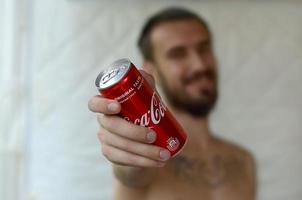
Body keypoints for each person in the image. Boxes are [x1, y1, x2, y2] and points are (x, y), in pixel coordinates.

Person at [88, 7, 256, 200]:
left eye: (204, 48)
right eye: (177, 54)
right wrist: (127, 154)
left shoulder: (244, 161)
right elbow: (131, 174)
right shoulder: (149, 156)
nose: (199, 64)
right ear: (152, 70)